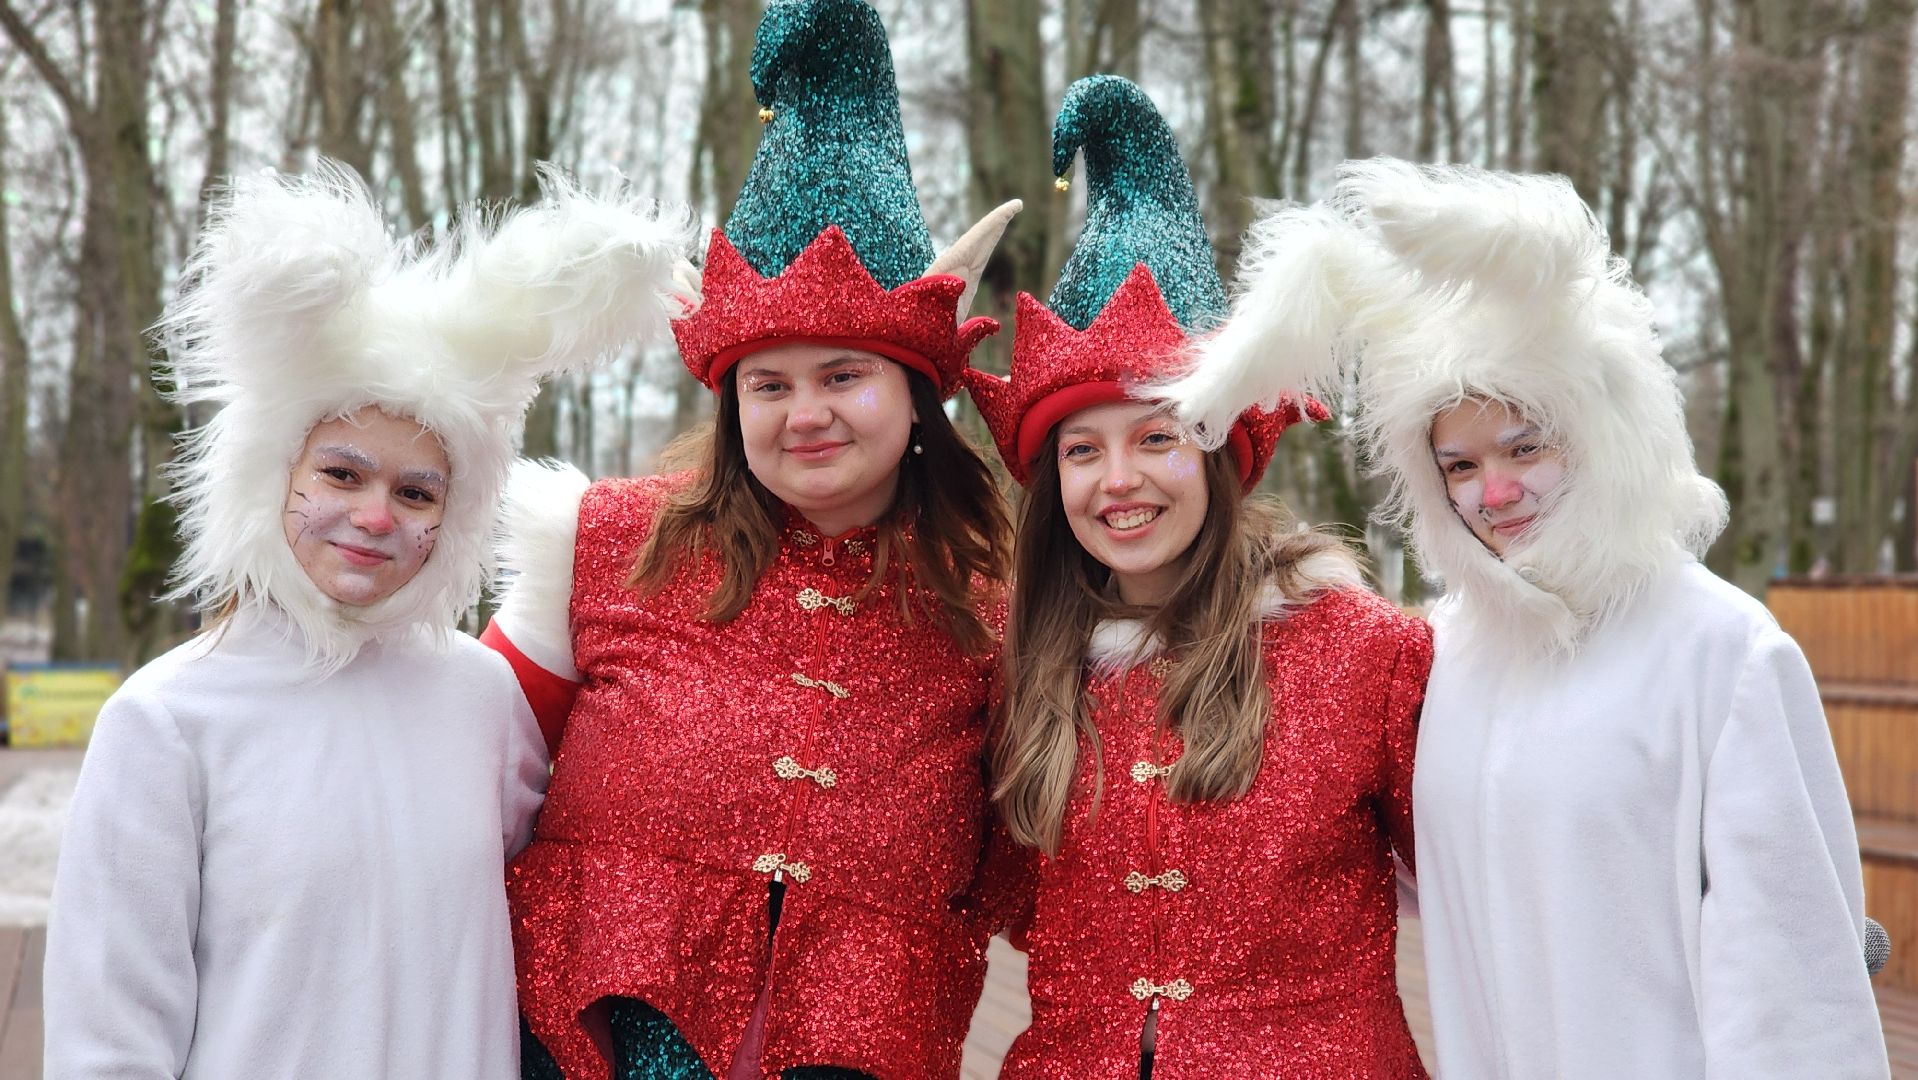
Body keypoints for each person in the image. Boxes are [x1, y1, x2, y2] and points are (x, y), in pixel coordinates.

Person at [1156, 158, 1893, 1078]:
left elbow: (1793, 973)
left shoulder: (1721, 650)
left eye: (1524, 444)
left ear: (1599, 430)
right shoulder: (1455, 652)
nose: (1494, 491)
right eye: (1458, 466)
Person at [41, 163, 696, 1078]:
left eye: (417, 490)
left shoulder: (483, 697)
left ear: (456, 517)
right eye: (342, 474)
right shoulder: (167, 721)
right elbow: (108, 1038)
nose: (376, 516)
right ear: (275, 475)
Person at [481, 2, 1021, 1076]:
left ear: (919, 396)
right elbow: (458, 767)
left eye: (843, 377)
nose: (803, 413)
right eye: (768, 385)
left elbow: (1058, 860)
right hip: (583, 1041)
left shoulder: (996, 607)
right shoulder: (605, 544)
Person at [964, 77, 1432, 1080]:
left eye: (1155, 437)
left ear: (1219, 451)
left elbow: (1496, 861)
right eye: (1081, 451)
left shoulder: (1364, 650)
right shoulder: (1020, 671)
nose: (1117, 481)